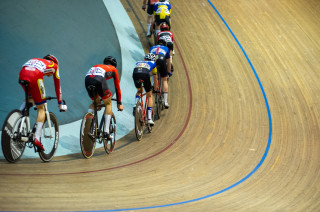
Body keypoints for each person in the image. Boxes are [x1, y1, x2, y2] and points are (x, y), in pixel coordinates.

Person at [18, 54, 67, 151]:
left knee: (30, 99)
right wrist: (60, 104)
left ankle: (17, 120)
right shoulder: (55, 66)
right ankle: (37, 138)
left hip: (22, 74)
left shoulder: (36, 60)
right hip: (35, 75)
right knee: (41, 108)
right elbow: (58, 88)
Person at [85, 56, 124, 140]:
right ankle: (106, 131)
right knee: (108, 103)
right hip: (99, 79)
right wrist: (119, 103)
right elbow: (117, 87)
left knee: (95, 104)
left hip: (87, 79)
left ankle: (88, 125)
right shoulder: (113, 69)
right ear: (114, 65)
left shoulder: (98, 66)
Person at [132, 53, 158, 126]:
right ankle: (149, 118)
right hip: (145, 74)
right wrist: (155, 88)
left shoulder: (139, 62)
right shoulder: (153, 63)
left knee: (139, 91)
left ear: (145, 59)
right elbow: (155, 78)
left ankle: (135, 104)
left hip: (135, 74)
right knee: (149, 95)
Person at [149, 37, 171, 108]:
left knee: (153, 74)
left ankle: (154, 85)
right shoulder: (166, 48)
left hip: (153, 60)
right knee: (164, 79)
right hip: (161, 60)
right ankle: (165, 101)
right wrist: (168, 71)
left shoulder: (152, 47)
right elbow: (168, 62)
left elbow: (149, 59)